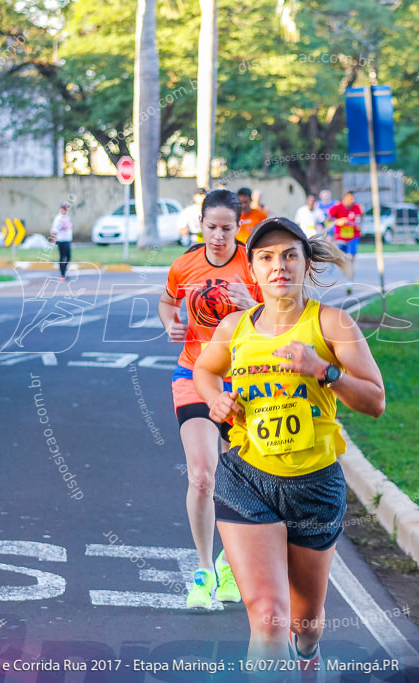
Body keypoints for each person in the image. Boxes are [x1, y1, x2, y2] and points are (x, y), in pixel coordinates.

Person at [193, 217, 385, 674]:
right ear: (253, 272)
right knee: (268, 620)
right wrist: (215, 399)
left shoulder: (332, 323)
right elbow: (204, 371)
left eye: (288, 256)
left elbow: (376, 401)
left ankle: (308, 653)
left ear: (305, 265)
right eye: (265, 258)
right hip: (246, 479)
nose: (277, 266)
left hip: (314, 485)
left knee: (305, 622)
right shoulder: (235, 328)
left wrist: (324, 370)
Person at [159, 189, 262, 609]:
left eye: (227, 228)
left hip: (243, 384)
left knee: (238, 480)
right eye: (211, 227)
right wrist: (170, 323)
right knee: (202, 477)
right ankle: (204, 571)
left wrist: (253, 303)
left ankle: (231, 565)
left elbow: (280, 322)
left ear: (240, 227)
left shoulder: (253, 266)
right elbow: (167, 301)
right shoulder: (184, 264)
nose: (218, 236)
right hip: (192, 375)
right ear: (199, 224)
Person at [328, 190, 362, 280]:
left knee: (351, 256)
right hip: (341, 236)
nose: (352, 200)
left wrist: (360, 225)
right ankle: (345, 270)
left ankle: (350, 272)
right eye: (350, 198)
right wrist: (338, 221)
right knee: (341, 257)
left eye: (353, 198)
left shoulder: (356, 207)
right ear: (344, 199)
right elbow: (329, 218)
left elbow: (362, 215)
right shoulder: (337, 207)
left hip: (353, 235)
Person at [50, 202, 73, 279]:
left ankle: (64, 271)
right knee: (62, 256)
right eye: (63, 209)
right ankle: (62, 273)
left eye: (66, 209)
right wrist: (53, 240)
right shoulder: (58, 218)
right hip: (61, 240)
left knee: (68, 256)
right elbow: (54, 230)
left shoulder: (67, 217)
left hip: (67, 239)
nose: (65, 211)